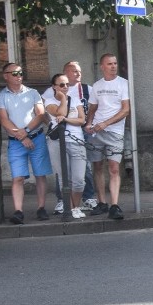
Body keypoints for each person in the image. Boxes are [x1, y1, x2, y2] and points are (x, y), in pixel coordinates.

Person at [0, 63, 53, 224]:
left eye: (21, 72)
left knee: (40, 175)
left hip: (36, 137)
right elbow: (3, 119)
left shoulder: (33, 93)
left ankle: (42, 208)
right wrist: (21, 137)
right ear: (6, 76)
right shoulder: (2, 96)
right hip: (16, 142)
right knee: (18, 177)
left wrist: (26, 131)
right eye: (14, 73)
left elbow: (41, 114)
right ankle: (18, 211)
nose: (18, 75)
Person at [43, 61, 97, 214]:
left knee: (79, 180)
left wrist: (66, 120)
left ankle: (75, 206)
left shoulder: (77, 99)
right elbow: (59, 113)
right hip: (57, 142)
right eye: (61, 85)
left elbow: (81, 120)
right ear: (54, 86)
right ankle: (69, 207)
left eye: (66, 85)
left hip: (76, 140)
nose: (65, 87)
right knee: (64, 178)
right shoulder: (49, 101)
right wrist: (64, 99)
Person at [85, 54, 130, 220]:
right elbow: (92, 108)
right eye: (109, 64)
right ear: (102, 66)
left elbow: (126, 110)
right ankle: (102, 202)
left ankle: (115, 205)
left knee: (114, 168)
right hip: (96, 131)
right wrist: (89, 124)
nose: (113, 66)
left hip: (115, 132)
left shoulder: (123, 83)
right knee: (97, 167)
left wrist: (106, 123)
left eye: (115, 63)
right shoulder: (97, 86)